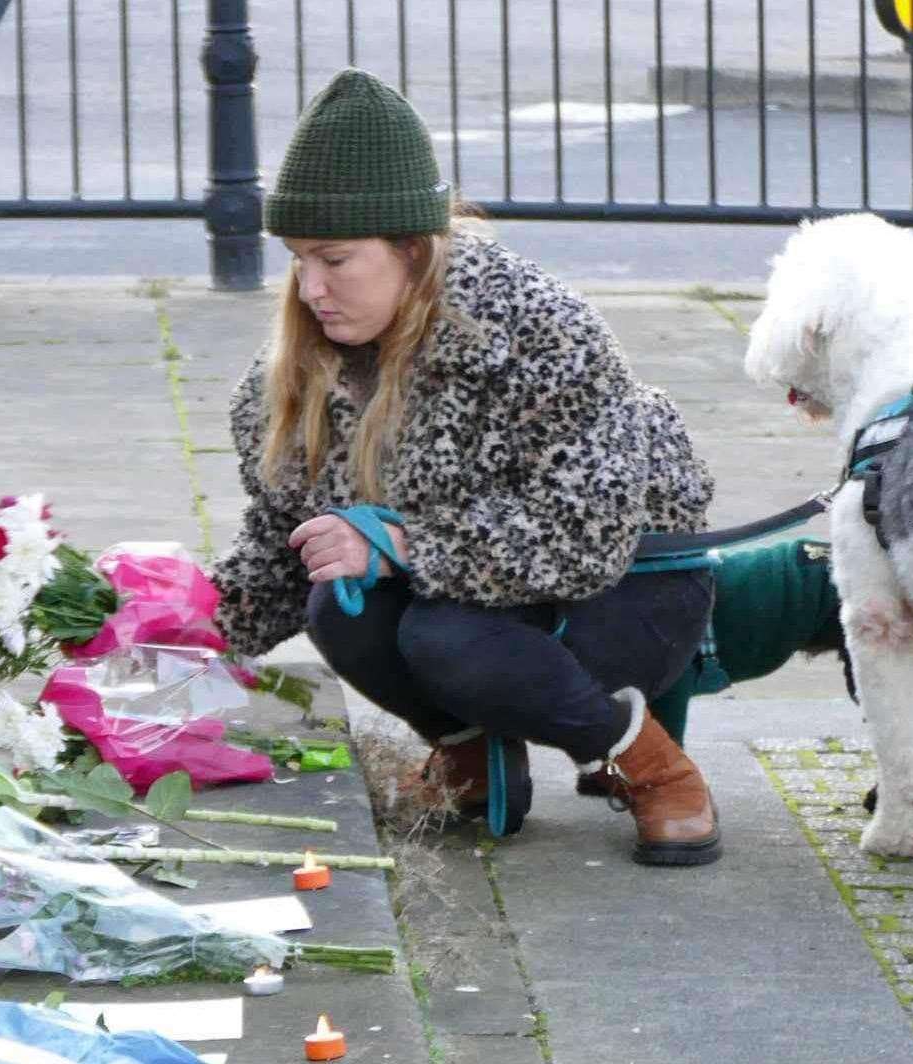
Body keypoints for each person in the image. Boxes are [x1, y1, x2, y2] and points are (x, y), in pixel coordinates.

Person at [207, 69, 724, 865]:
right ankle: (471, 760)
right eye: (298, 260)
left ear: (410, 250)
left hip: (627, 591)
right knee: (335, 606)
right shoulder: (293, 370)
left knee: (447, 636)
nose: (310, 289)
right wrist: (182, 626)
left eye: (335, 259)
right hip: (460, 604)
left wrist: (397, 547)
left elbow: (581, 536)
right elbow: (284, 537)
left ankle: (650, 766)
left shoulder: (537, 330)